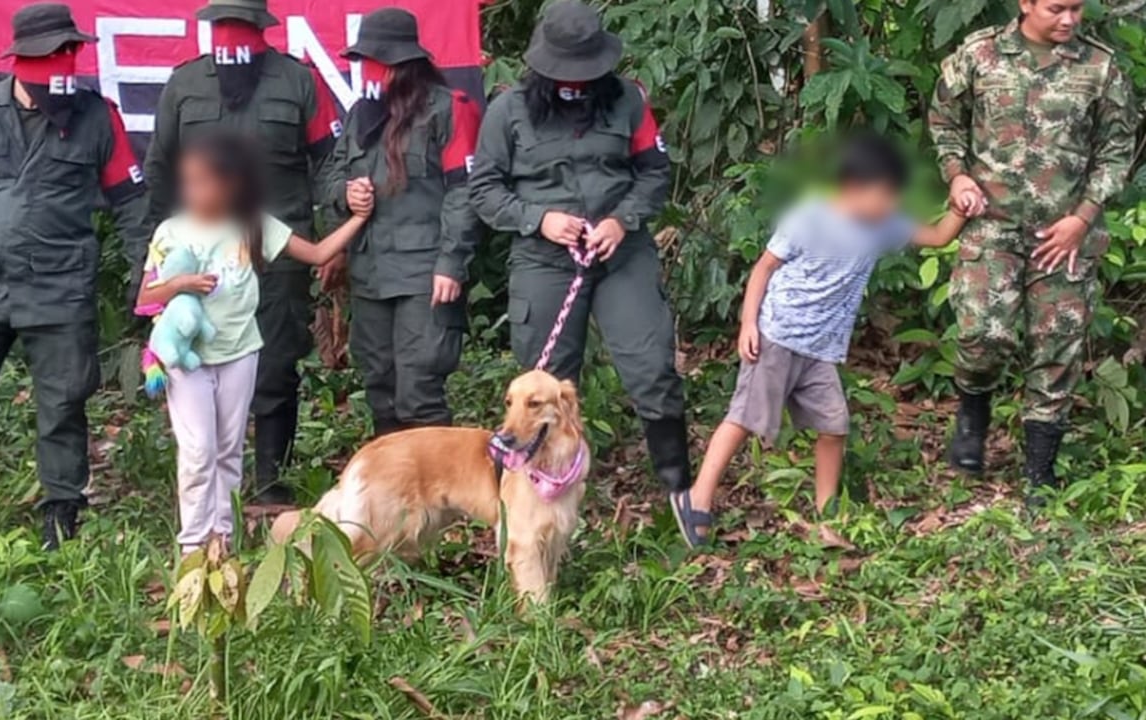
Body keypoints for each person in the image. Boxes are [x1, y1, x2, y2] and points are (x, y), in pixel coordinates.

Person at [0, 3, 151, 549]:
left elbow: (131, 202)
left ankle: (60, 519)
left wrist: (145, 275)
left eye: (71, 52)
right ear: (21, 60)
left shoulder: (95, 116)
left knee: (62, 407)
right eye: (53, 55)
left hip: (60, 290)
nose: (64, 63)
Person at [670, 134, 969, 547]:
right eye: (884, 194)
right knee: (744, 418)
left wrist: (959, 208)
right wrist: (748, 324)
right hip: (777, 335)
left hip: (821, 349)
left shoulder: (884, 224)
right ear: (852, 187)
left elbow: (937, 237)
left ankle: (828, 521)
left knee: (834, 427)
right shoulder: (809, 216)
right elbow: (763, 267)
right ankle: (696, 497)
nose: (891, 203)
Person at [469, 1, 690, 495]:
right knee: (544, 383)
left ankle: (679, 492)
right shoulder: (508, 111)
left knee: (651, 364)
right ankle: (540, 498)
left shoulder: (628, 99)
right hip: (544, 258)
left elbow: (653, 172)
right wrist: (539, 219)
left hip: (620, 254)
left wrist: (621, 220)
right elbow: (483, 189)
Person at [928, 0, 1137, 502]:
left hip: (1062, 234)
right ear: (1025, 4)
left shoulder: (1100, 66)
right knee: (982, 335)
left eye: (1077, 9)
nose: (1069, 20)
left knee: (1056, 347)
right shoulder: (979, 55)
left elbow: (1117, 150)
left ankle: (1039, 473)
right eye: (1056, 8)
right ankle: (972, 414)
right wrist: (956, 175)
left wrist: (1081, 218)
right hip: (990, 227)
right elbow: (944, 121)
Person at [143, 0, 347, 505]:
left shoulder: (298, 81)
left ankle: (270, 483)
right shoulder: (184, 84)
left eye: (241, 24)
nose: (232, 35)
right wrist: (166, 250)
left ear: (261, 26)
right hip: (199, 259)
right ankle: (204, 483)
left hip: (275, 249)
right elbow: (160, 169)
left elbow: (328, 162)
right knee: (198, 359)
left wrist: (335, 233)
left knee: (276, 360)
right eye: (223, 24)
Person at [136, 133, 370, 553]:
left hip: (239, 353)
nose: (193, 192)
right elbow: (145, 298)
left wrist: (357, 220)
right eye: (187, 183)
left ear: (231, 185)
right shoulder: (170, 231)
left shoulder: (252, 225)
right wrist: (181, 284)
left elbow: (316, 255)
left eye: (203, 182)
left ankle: (221, 541)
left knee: (227, 451)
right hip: (186, 359)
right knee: (197, 452)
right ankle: (192, 547)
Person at [323, 8, 483, 433]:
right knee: (380, 384)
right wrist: (346, 193)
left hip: (424, 273)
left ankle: (434, 496)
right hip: (370, 271)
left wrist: (451, 264)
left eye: (376, 61)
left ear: (402, 63)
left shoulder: (448, 110)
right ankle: (394, 494)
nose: (368, 70)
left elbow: (464, 192)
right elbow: (330, 176)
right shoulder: (361, 114)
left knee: (420, 387)